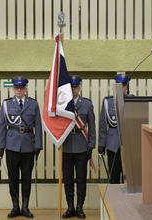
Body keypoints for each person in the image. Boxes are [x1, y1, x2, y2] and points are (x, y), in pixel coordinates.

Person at [0, 76, 42, 218]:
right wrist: (1, 147)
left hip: (28, 145)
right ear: (13, 89)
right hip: (11, 146)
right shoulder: (6, 104)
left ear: (26, 89)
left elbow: (38, 126)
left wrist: (38, 145)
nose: (19, 90)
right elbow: (2, 126)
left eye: (22, 87)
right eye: (17, 87)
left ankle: (25, 207)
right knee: (13, 177)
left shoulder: (33, 104)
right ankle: (15, 206)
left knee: (27, 178)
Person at [62, 75, 96, 219]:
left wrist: (91, 145)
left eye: (76, 86)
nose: (73, 89)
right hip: (67, 146)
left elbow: (92, 127)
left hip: (82, 146)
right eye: (71, 86)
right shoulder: (62, 104)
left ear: (80, 87)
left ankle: (80, 207)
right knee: (68, 179)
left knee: (81, 179)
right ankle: (70, 207)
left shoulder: (87, 104)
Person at [98, 73, 129, 184]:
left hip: (129, 143)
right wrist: (101, 144)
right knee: (114, 175)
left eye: (124, 85)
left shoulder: (132, 101)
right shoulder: (108, 102)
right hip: (112, 143)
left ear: (127, 87)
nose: (121, 87)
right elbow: (103, 124)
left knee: (131, 177)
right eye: (118, 85)